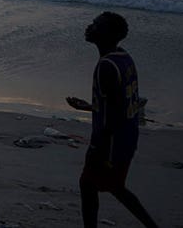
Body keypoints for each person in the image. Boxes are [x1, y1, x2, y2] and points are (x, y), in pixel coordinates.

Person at [66, 12, 158, 228]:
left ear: (107, 34)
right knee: (114, 186)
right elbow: (121, 103)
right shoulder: (124, 57)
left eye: (96, 25)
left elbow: (113, 115)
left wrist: (101, 149)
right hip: (127, 137)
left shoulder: (106, 66)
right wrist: (89, 106)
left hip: (110, 142)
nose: (90, 27)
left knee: (90, 185)